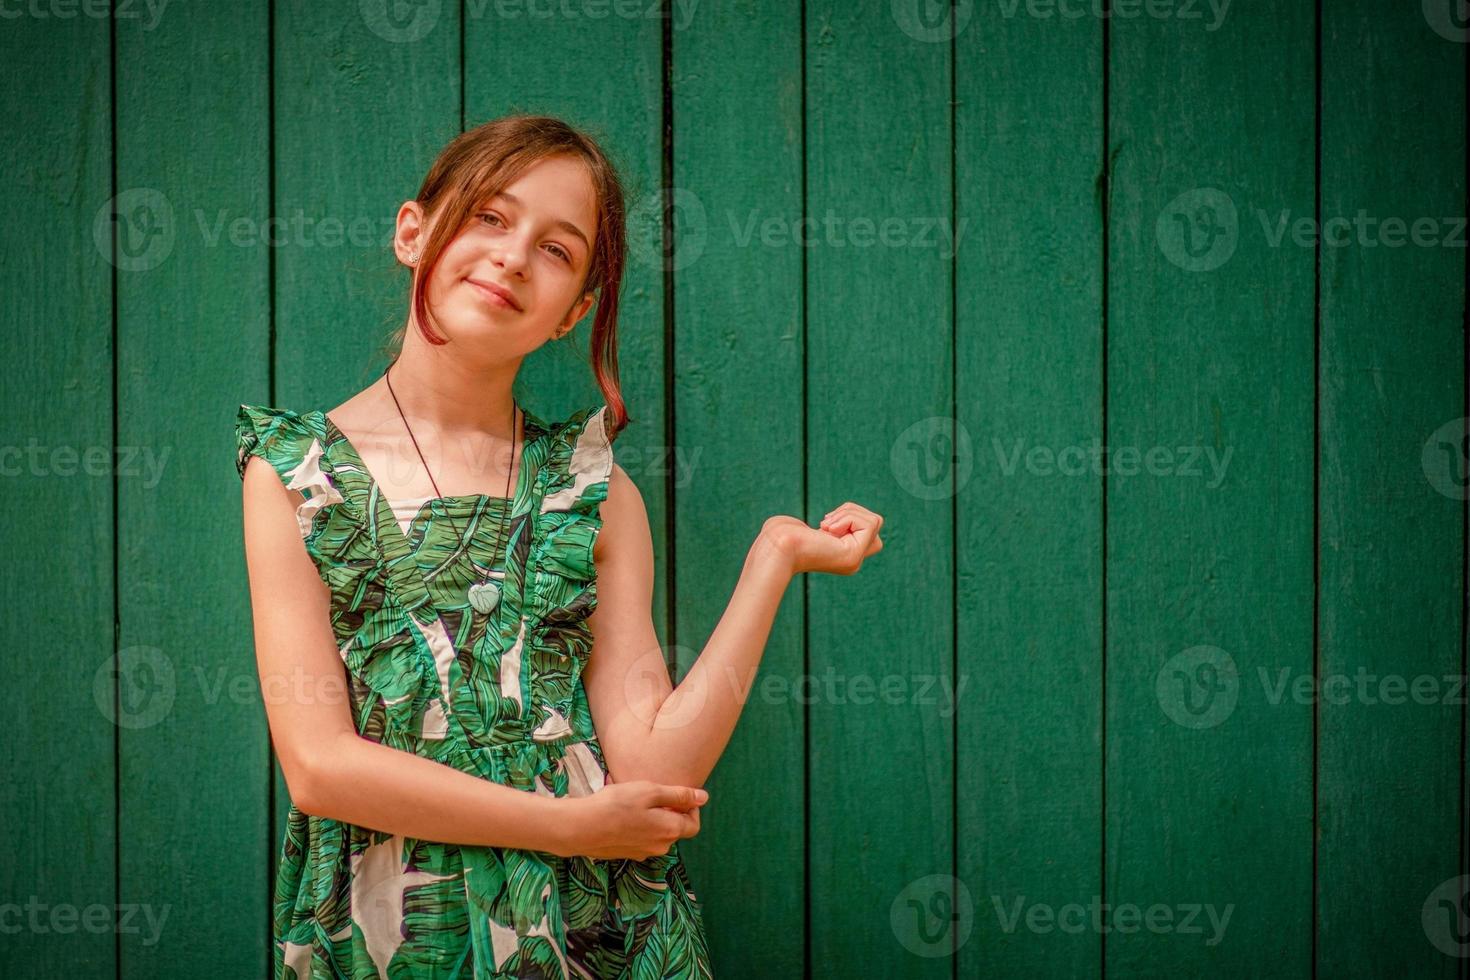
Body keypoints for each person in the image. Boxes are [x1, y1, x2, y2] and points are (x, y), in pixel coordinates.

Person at [236, 113, 884, 978]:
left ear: (572, 312)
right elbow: (319, 767)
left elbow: (653, 762)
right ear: (413, 231)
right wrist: (569, 824)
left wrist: (774, 559)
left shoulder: (597, 492)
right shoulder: (294, 474)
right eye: (491, 218)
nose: (512, 255)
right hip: (390, 935)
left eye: (556, 249)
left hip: (595, 929)